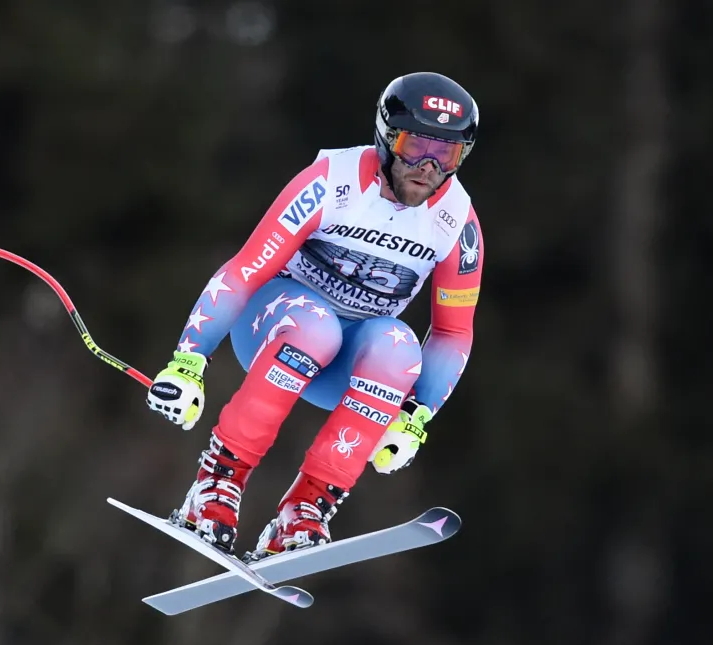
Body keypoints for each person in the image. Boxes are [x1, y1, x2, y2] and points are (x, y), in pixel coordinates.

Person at [145, 71, 484, 562]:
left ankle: (304, 509)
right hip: (275, 326)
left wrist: (416, 416)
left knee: (399, 348)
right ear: (388, 139)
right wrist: (188, 361)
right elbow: (245, 270)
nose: (428, 167)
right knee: (314, 325)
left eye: (446, 155)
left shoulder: (457, 222)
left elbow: (453, 332)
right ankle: (215, 485)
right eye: (416, 148)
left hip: (347, 362)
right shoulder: (332, 182)